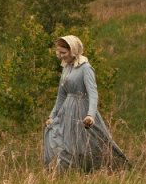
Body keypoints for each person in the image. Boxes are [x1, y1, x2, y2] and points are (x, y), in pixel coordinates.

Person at [43, 34, 128, 171]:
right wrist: (52, 116)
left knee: (90, 143)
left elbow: (93, 93)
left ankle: (112, 167)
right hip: (67, 111)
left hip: (81, 109)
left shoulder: (85, 68)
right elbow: (61, 95)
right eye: (59, 52)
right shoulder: (66, 68)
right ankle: (66, 171)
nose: (60, 56)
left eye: (63, 52)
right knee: (60, 138)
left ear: (73, 50)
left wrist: (90, 115)